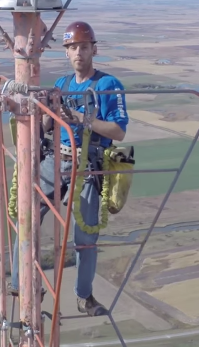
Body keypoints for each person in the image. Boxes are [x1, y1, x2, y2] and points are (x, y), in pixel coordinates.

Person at [9, 21, 129, 317]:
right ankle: (21, 284)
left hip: (89, 165)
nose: (78, 53)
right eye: (73, 48)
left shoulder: (107, 85)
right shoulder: (62, 85)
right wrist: (48, 113)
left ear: (94, 50)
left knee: (86, 238)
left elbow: (118, 131)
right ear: (66, 53)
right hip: (57, 159)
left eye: (84, 47)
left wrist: (79, 118)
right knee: (27, 217)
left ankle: (84, 296)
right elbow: (49, 127)